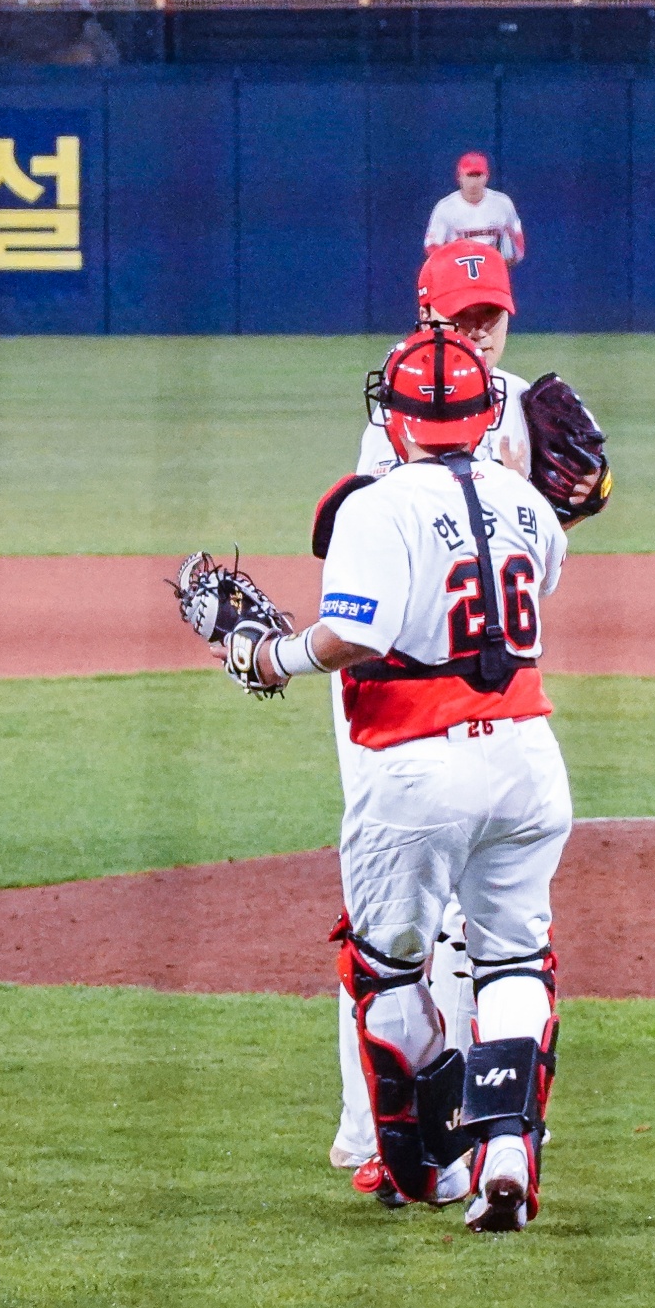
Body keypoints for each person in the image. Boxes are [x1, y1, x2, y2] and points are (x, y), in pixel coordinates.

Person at [214, 326, 572, 1234]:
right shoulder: (528, 501)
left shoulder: (377, 505)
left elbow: (356, 638)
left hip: (418, 767)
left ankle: (431, 1169)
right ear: (487, 415)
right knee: (513, 961)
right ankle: (505, 1153)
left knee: (386, 970)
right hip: (528, 760)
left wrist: (269, 655)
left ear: (399, 421)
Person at [325, 246, 530, 1179]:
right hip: (395, 696)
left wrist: (574, 504)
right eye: (463, 315)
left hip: (483, 696)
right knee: (397, 922)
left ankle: (482, 1131)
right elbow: (396, 569)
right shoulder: (401, 409)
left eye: (492, 314)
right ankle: (379, 1132)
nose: (480, 331)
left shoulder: (510, 396)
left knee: (475, 926)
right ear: (426, 315)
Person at [424, 152, 525, 264]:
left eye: (478, 176)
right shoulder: (445, 208)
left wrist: (511, 260)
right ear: (459, 177)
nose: (473, 182)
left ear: (487, 177)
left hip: (492, 267)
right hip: (458, 266)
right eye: (469, 175)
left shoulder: (502, 203)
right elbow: (432, 246)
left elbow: (516, 236)